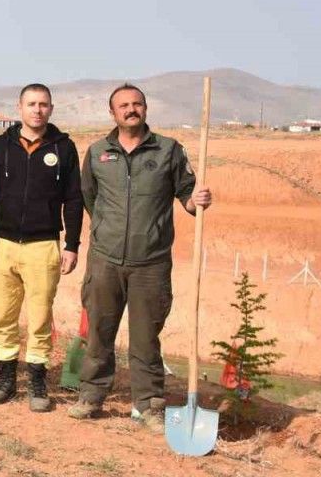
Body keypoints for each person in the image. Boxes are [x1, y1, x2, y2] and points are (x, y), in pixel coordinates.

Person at [67, 83, 212, 432]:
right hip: (105, 260)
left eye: (137, 104)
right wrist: (109, 230)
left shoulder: (168, 150)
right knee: (99, 331)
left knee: (146, 338)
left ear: (145, 109)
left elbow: (187, 196)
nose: (131, 109)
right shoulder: (98, 152)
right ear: (112, 112)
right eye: (124, 105)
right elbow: (89, 197)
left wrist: (197, 201)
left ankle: (148, 405)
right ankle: (91, 396)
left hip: (151, 263)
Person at [0, 83, 83, 412]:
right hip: (3, 244)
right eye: (31, 104)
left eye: (43, 104)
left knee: (40, 317)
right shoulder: (1, 146)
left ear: (50, 109)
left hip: (43, 245)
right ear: (20, 108)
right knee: (4, 316)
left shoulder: (64, 148)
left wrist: (72, 244)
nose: (37, 110)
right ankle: (6, 377)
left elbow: (74, 199)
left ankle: (37, 380)